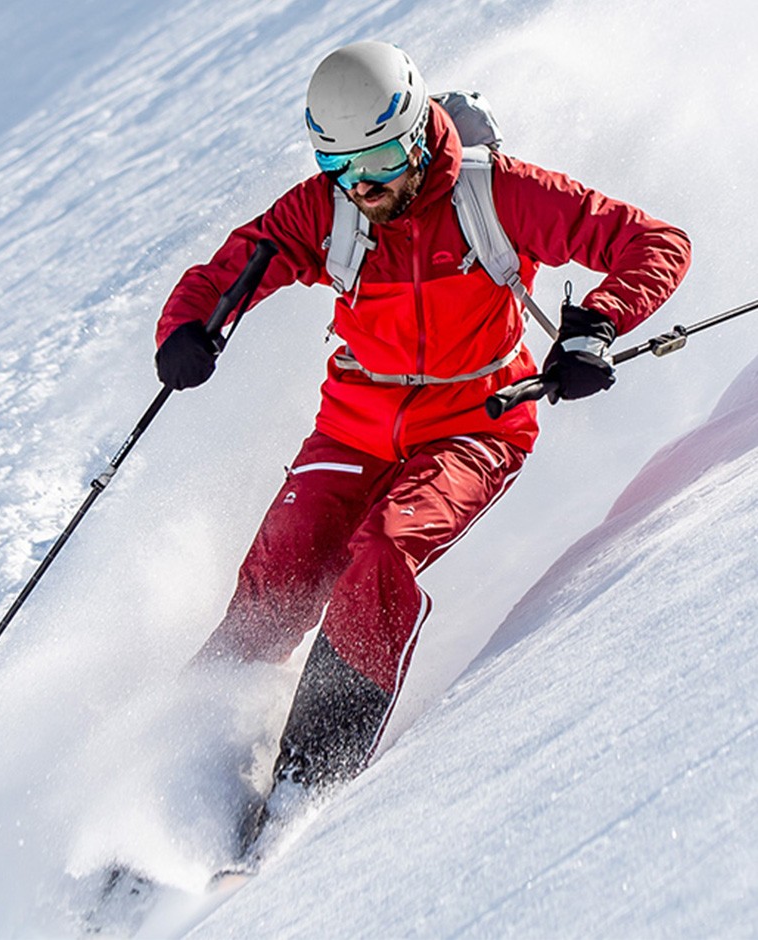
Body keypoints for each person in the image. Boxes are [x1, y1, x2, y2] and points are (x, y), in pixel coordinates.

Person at [154, 41, 690, 828]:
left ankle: (311, 774)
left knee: (382, 551)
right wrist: (188, 329)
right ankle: (186, 768)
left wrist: (594, 328)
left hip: (477, 421)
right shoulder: (328, 207)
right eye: (340, 167)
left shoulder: (496, 196)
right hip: (354, 420)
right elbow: (231, 269)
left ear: (414, 135)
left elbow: (654, 242)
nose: (361, 188)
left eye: (376, 162)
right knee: (283, 565)